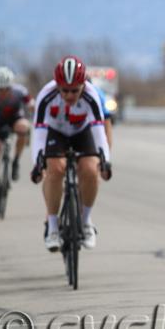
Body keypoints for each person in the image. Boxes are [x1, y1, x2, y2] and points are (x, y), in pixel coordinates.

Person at [30, 55, 112, 251]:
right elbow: (39, 133)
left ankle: (85, 222)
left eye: (75, 90)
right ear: (57, 85)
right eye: (64, 90)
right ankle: (52, 227)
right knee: (56, 170)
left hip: (81, 131)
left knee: (91, 170)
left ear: (83, 85)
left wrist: (106, 161)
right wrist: (37, 163)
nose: (69, 95)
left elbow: (99, 131)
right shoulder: (46, 95)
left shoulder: (91, 95)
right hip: (55, 132)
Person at [0, 67, 33, 181]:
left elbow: (31, 103)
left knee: (23, 127)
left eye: (6, 89)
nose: (3, 92)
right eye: (0, 89)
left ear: (11, 86)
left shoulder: (20, 91)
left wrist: (32, 107)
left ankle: (16, 160)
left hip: (15, 118)